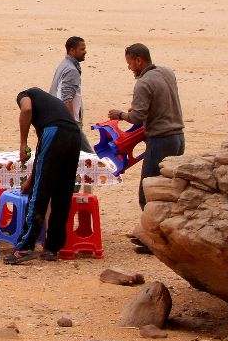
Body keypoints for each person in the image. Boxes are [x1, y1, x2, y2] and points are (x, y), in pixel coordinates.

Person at [107, 43, 184, 253]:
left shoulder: (143, 83)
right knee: (168, 190)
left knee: (148, 192)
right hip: (178, 137)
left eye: (130, 63)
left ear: (139, 60)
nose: (130, 67)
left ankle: (155, 241)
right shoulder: (167, 72)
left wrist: (120, 115)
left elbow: (136, 117)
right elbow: (161, 103)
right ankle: (165, 236)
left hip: (160, 140)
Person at [3, 87, 82, 264]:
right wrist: (31, 180)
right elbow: (42, 159)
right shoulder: (51, 107)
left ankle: (25, 247)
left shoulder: (25, 94)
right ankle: (53, 248)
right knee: (63, 192)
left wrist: (23, 143)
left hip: (55, 133)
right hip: (74, 135)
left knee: (39, 194)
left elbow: (26, 109)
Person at [49, 36, 94, 154]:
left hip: (58, 119)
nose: (85, 52)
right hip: (68, 122)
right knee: (90, 157)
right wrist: (71, 124)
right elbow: (66, 98)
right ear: (72, 50)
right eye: (82, 49)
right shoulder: (71, 70)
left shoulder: (64, 64)